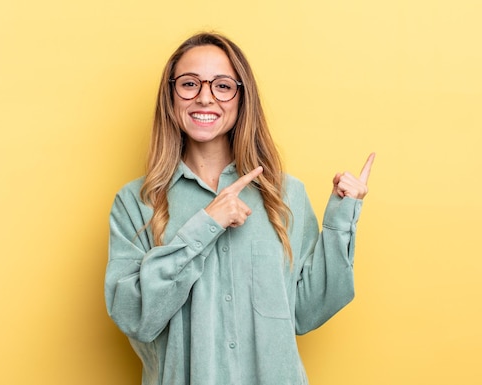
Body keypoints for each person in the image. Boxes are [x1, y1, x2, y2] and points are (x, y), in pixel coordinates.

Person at [105, 32, 375, 385]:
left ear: (241, 96)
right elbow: (134, 317)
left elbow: (307, 312)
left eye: (222, 86)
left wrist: (341, 220)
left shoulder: (285, 194)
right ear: (170, 96)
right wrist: (207, 224)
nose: (205, 97)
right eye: (189, 84)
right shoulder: (135, 203)